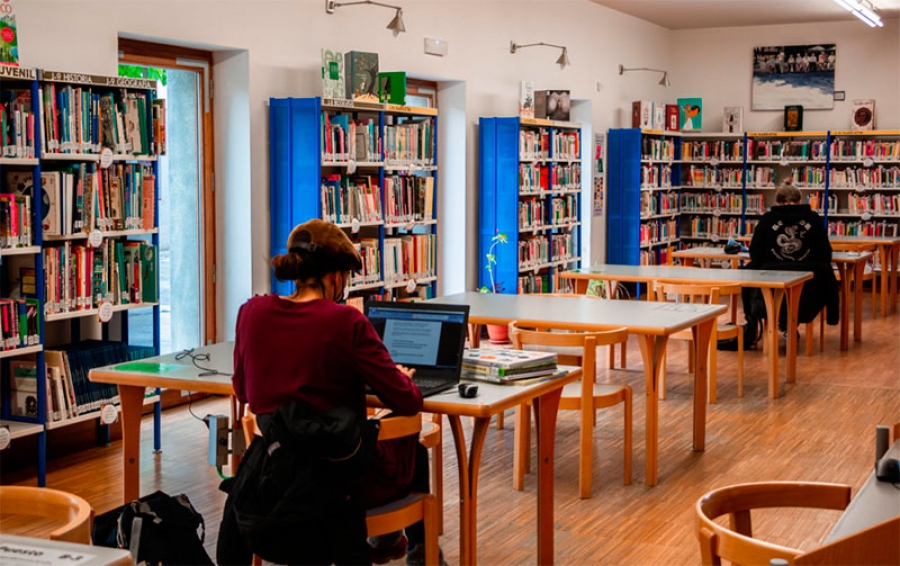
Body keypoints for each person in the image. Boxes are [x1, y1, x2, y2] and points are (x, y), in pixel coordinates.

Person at [218, 218, 437, 566]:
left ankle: (388, 544)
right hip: (335, 479)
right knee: (417, 450)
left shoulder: (250, 312)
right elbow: (407, 400)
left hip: (267, 475)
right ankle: (416, 552)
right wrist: (400, 376)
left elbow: (243, 390)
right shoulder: (346, 322)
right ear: (335, 277)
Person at [742, 181, 839, 346]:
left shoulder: (767, 220)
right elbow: (825, 254)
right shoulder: (813, 220)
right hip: (809, 291)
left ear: (777, 202)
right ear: (800, 201)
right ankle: (791, 325)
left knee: (750, 273)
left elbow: (755, 254)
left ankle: (760, 326)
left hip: (771, 288)